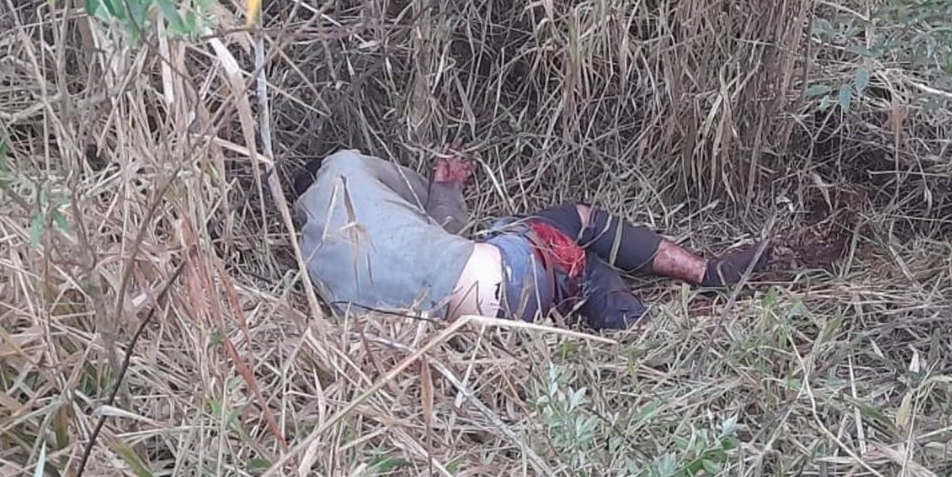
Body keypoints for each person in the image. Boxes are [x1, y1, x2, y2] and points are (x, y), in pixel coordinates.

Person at [292, 148, 767, 330]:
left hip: (473, 322)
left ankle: (636, 325)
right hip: (501, 276)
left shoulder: (311, 255)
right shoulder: (345, 166)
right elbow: (442, 226)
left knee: (577, 268)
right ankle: (708, 274)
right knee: (574, 221)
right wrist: (447, 186)